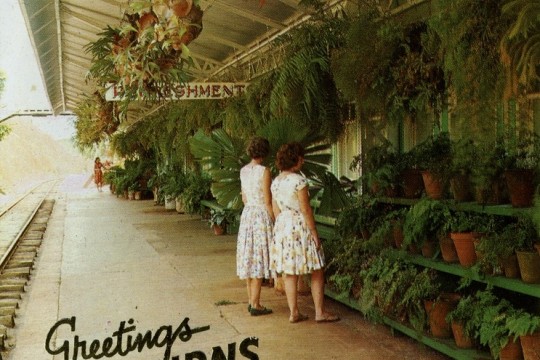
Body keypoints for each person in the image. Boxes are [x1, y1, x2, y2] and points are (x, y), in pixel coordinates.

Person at [270, 142, 339, 323]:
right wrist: (314, 232)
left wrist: (281, 229)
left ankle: (294, 312)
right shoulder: (299, 181)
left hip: (283, 225)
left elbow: (275, 209)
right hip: (299, 225)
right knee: (316, 269)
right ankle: (319, 312)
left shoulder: (275, 182)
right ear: (297, 159)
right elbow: (306, 209)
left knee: (289, 271)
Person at [237, 137, 274, 316]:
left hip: (248, 214)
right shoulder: (264, 171)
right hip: (260, 214)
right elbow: (267, 199)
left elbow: (244, 197)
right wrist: (274, 219)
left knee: (248, 256)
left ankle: (251, 300)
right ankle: (256, 303)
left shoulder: (243, 171)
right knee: (258, 256)